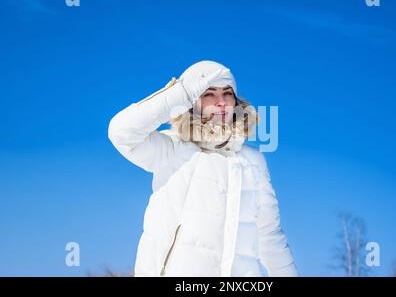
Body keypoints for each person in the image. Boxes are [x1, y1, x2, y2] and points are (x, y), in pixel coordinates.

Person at [108, 60, 299, 277]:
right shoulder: (172, 148)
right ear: (191, 101)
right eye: (209, 94)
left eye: (227, 93)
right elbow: (121, 133)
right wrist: (180, 92)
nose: (221, 102)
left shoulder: (253, 162)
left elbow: (270, 237)